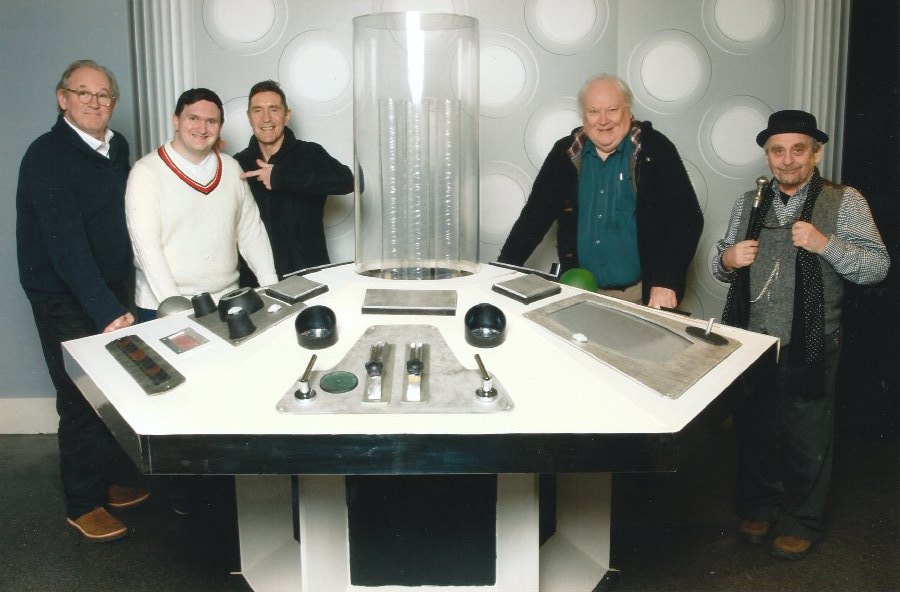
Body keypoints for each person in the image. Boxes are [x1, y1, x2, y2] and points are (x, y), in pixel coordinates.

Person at [714, 109, 889, 559]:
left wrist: (825, 244)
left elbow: (877, 267)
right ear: (767, 156)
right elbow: (721, 263)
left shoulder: (845, 200)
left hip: (812, 338)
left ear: (816, 153)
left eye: (798, 150)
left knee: (807, 435)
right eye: (778, 151)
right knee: (754, 428)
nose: (787, 159)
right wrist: (729, 260)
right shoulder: (748, 202)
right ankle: (759, 508)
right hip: (753, 339)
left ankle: (802, 521)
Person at [17, 59, 149, 543]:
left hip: (107, 288)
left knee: (112, 389)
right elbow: (66, 245)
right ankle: (83, 503)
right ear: (63, 98)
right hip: (64, 296)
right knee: (80, 396)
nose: (95, 102)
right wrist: (106, 309)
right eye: (83, 93)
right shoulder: (46, 155)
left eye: (103, 95)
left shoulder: (117, 147)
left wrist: (119, 295)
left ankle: (108, 481)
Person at [498, 74, 703, 308]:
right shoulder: (565, 153)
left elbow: (687, 218)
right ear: (584, 116)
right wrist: (503, 268)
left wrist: (666, 281)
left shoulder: (655, 149)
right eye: (594, 111)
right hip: (579, 293)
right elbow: (533, 217)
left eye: (612, 110)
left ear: (628, 111)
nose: (603, 120)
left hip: (641, 297)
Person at [125, 88, 278, 320]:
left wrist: (271, 287)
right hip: (164, 305)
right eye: (193, 118)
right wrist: (175, 308)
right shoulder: (146, 171)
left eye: (211, 121)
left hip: (226, 300)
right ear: (176, 121)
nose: (202, 128)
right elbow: (146, 248)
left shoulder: (231, 168)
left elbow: (251, 231)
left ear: (220, 126)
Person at [235, 80, 354, 282]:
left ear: (287, 115)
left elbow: (347, 181)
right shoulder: (238, 163)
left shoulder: (310, 153)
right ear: (249, 117)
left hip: (310, 276)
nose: (266, 118)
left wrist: (279, 176)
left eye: (274, 109)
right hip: (255, 280)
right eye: (258, 110)